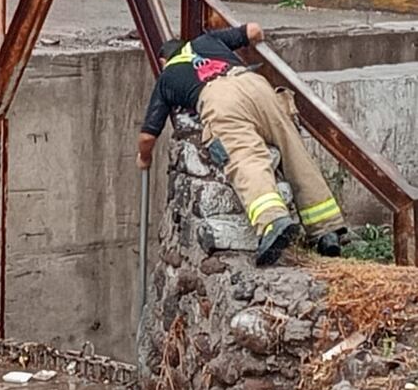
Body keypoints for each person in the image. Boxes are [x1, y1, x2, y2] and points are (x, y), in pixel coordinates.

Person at [136, 23, 345, 266]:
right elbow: (254, 30)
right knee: (293, 151)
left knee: (245, 158)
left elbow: (148, 136)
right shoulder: (207, 41)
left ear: (163, 61)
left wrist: (144, 158)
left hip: (219, 99)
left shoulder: (167, 77)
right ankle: (326, 229)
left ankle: (272, 221)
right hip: (255, 84)